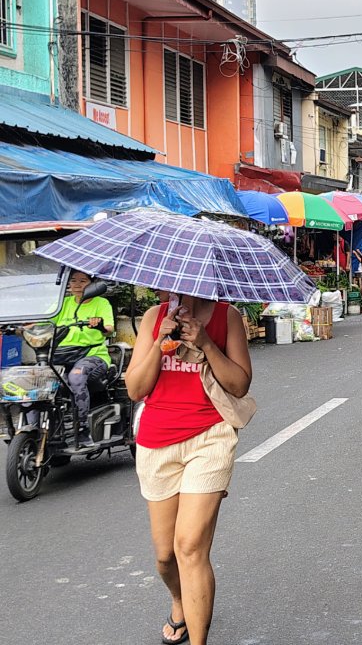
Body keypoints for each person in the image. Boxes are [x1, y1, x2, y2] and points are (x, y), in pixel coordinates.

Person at [126, 292, 252, 645]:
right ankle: (179, 599)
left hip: (210, 437)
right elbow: (136, 389)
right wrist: (159, 342)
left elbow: (240, 384)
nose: (173, 290)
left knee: (190, 547)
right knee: (166, 557)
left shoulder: (227, 317)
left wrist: (206, 342)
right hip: (157, 443)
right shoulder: (154, 317)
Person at [49, 270, 115, 448]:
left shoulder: (101, 303)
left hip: (92, 356)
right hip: (62, 355)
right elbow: (43, 321)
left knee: (76, 377)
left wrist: (99, 324)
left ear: (92, 285)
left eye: (82, 280)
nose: (77, 284)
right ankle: (39, 430)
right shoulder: (63, 304)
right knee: (39, 380)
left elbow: (109, 328)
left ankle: (82, 429)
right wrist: (21, 324)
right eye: (73, 281)